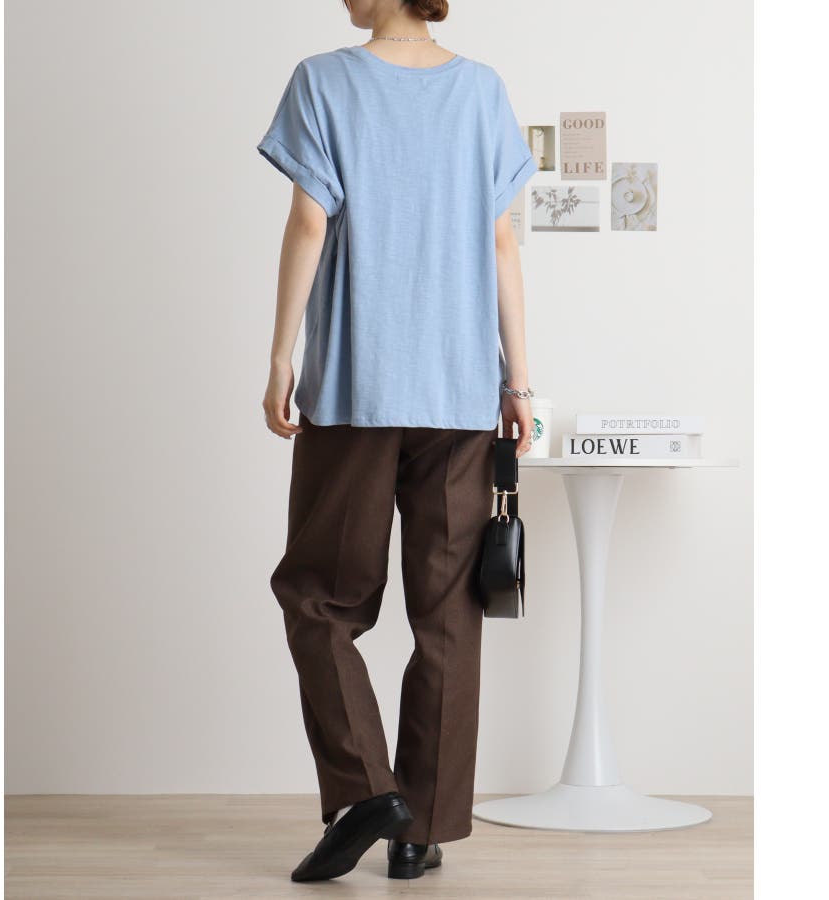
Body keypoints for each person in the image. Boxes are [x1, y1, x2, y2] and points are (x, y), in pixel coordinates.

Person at [257, 0, 537, 883]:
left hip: (356, 389)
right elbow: (501, 242)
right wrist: (518, 382)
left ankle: (365, 790)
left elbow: (310, 222)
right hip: (460, 394)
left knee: (319, 597)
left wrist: (280, 356)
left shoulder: (324, 82)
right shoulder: (482, 91)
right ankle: (420, 832)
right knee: (447, 614)